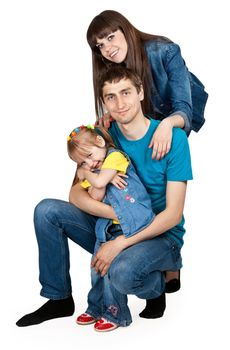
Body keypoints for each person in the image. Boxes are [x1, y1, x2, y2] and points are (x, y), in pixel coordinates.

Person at [16, 66, 192, 328]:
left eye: (126, 92)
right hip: (110, 226)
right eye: (111, 97)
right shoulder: (101, 139)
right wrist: (116, 217)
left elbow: (173, 215)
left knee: (121, 272)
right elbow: (76, 194)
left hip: (159, 234)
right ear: (103, 102)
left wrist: (120, 243)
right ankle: (58, 298)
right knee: (46, 211)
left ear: (140, 92)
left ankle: (157, 284)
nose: (119, 104)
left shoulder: (172, 138)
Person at [86, 9, 206, 290]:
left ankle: (168, 258)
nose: (107, 49)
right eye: (99, 46)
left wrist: (168, 124)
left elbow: (183, 108)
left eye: (111, 38)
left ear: (125, 30)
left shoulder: (164, 51)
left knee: (163, 181)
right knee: (139, 180)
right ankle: (145, 242)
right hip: (135, 123)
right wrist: (109, 118)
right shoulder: (109, 65)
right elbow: (114, 94)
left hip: (171, 116)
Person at [67, 124, 155, 331]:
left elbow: (98, 182)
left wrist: (85, 174)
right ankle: (95, 307)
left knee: (109, 270)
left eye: (89, 156)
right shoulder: (98, 168)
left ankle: (115, 313)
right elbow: (95, 196)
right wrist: (100, 180)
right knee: (96, 267)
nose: (89, 163)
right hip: (107, 225)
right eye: (83, 162)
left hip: (132, 223)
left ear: (100, 142)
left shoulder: (115, 157)